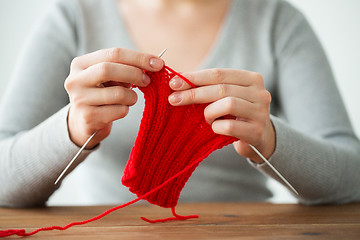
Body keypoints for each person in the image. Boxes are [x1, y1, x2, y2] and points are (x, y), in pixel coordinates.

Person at [0, 0, 359, 207]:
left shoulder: (276, 21)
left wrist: (269, 139)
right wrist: (72, 131)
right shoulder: (75, 17)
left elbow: (352, 178)